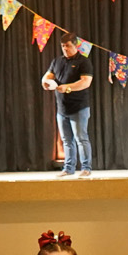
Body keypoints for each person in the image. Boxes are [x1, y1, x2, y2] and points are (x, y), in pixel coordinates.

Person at [42, 33, 95, 177]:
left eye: (68, 46)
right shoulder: (57, 61)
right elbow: (48, 75)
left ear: (75, 45)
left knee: (81, 138)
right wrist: (45, 82)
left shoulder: (83, 62)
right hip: (62, 108)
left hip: (79, 107)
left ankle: (86, 168)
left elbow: (85, 82)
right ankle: (68, 168)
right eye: (63, 46)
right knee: (66, 140)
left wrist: (67, 87)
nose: (65, 49)